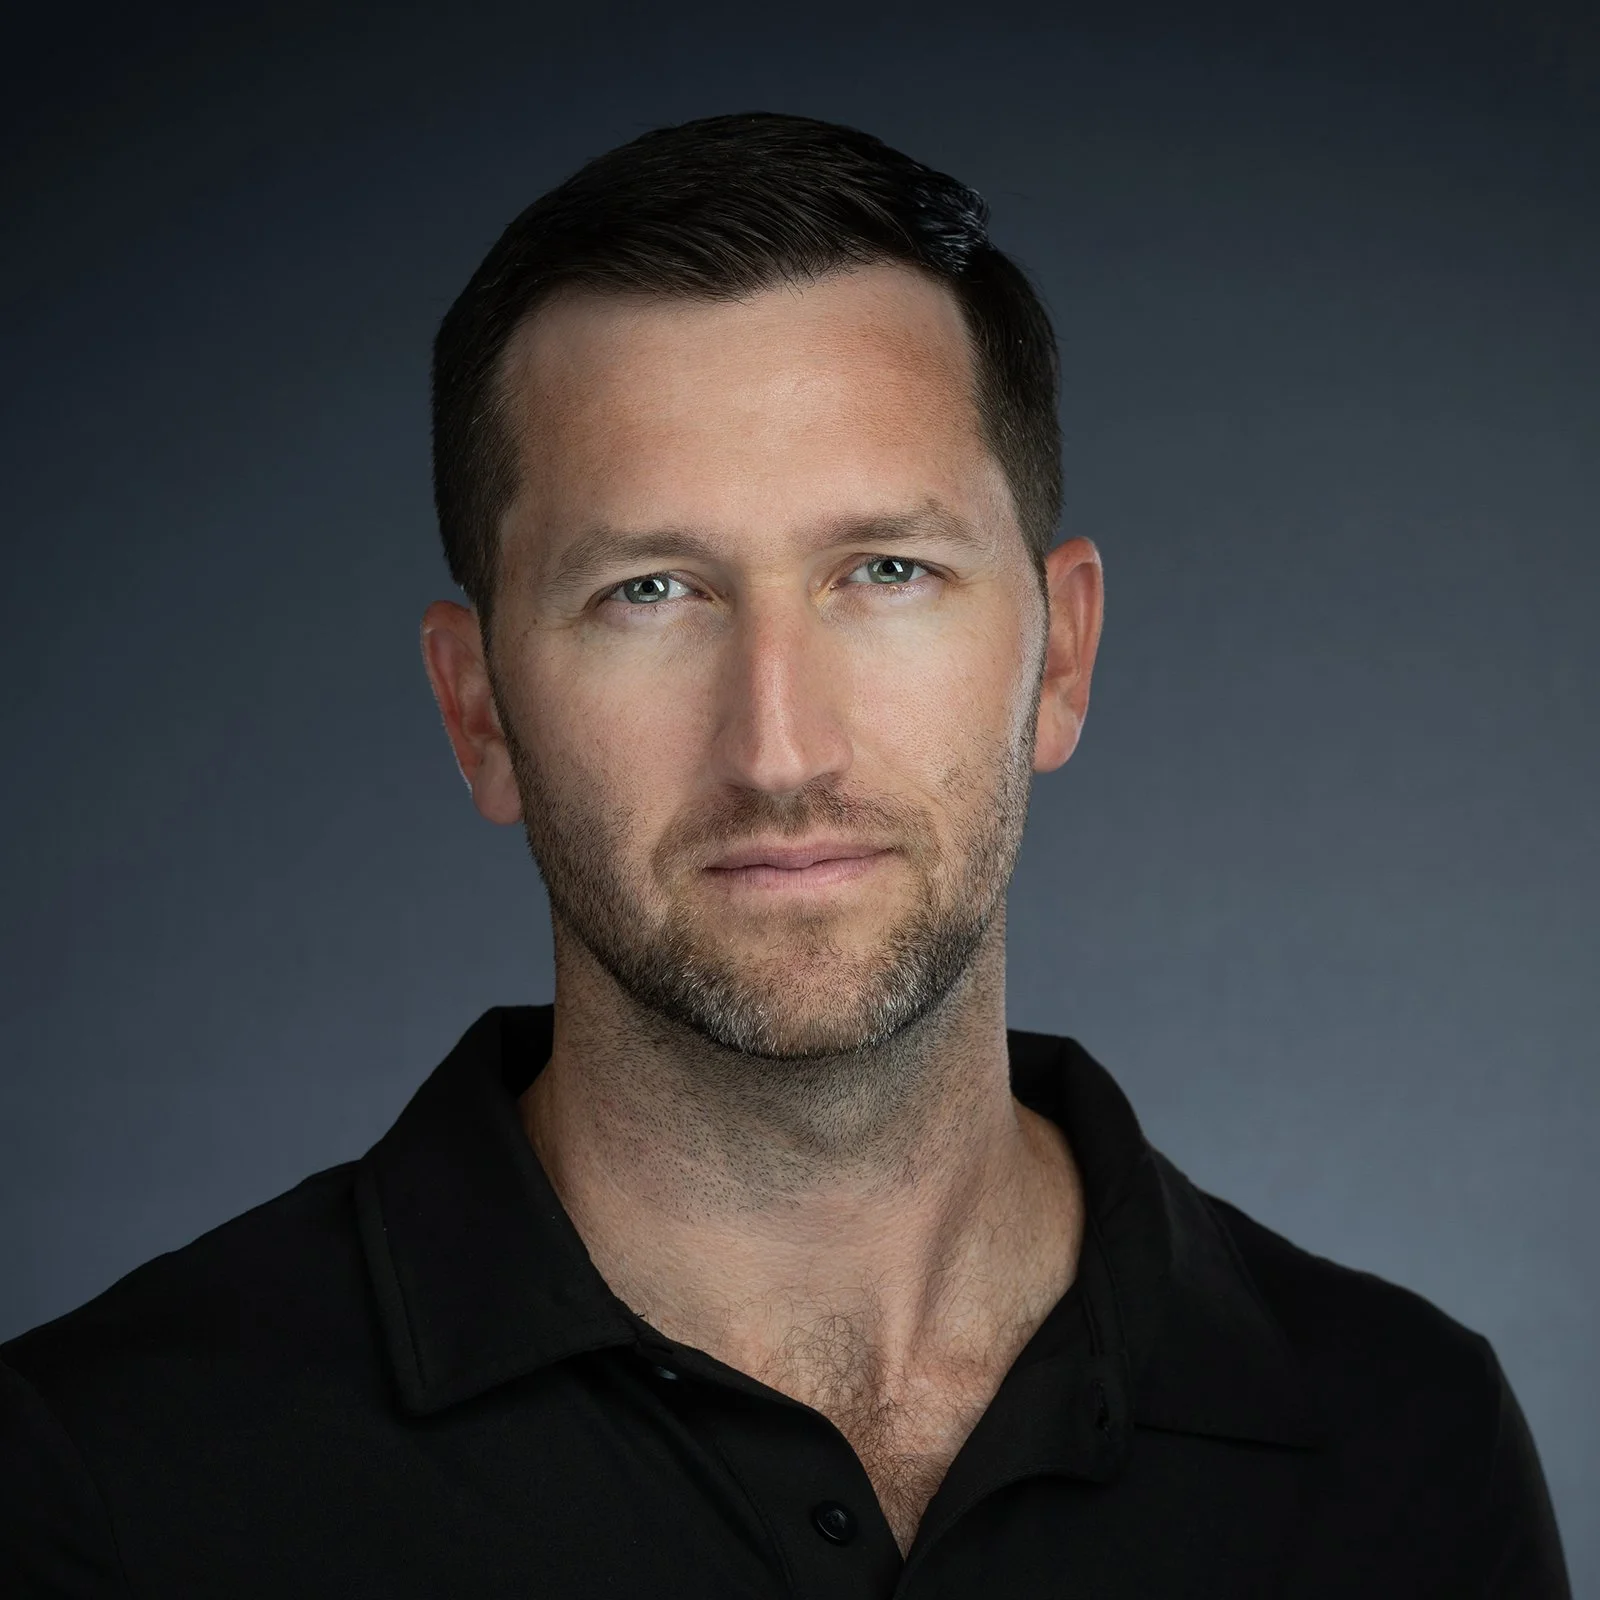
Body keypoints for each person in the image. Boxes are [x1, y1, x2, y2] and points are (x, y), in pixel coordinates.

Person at [0, 111, 1570, 1598]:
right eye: (650, 593)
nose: (778, 749)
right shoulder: (112, 1483)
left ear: (1062, 656)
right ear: (478, 712)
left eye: (885, 570)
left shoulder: (1405, 1449)